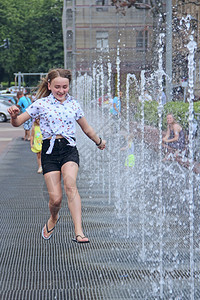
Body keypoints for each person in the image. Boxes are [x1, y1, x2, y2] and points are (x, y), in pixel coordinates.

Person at [8, 68, 106, 243]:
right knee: (55, 199)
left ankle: (78, 232)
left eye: (65, 87)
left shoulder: (74, 104)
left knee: (70, 184)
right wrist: (14, 116)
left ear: (69, 86)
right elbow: (18, 123)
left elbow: (86, 128)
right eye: (57, 87)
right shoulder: (41, 104)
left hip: (68, 148)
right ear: (49, 86)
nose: (61, 91)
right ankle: (53, 218)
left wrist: (99, 141)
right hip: (49, 151)